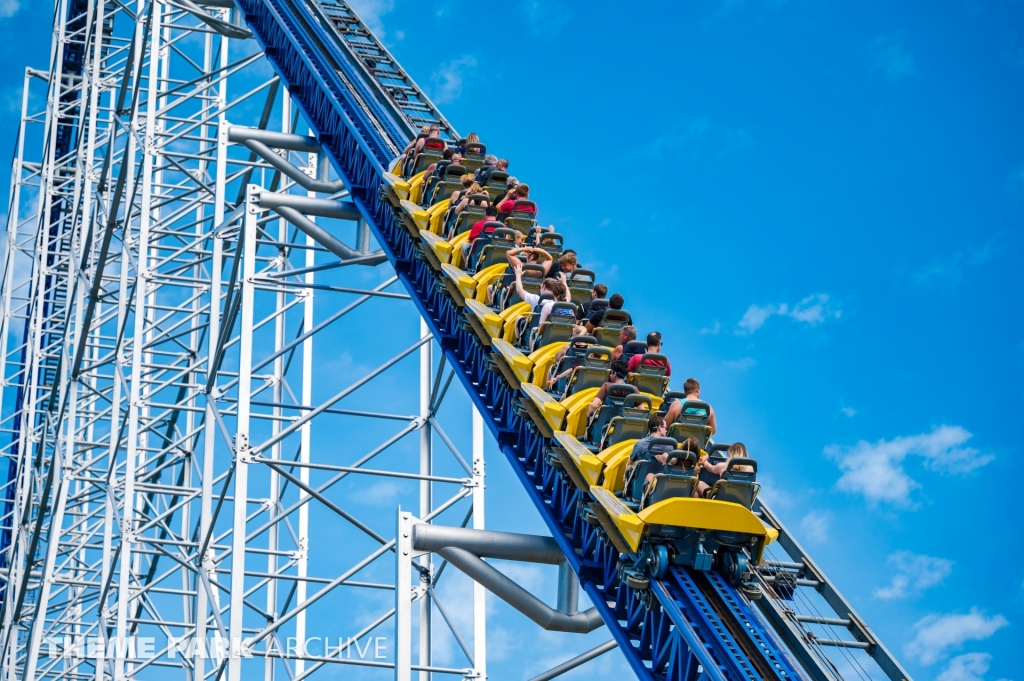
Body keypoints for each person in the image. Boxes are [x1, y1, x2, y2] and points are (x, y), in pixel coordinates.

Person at [510, 267, 567, 342]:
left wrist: (518, 275)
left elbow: (520, 290)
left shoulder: (537, 300)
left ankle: (519, 342)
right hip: (555, 335)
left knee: (519, 318)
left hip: (537, 335)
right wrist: (564, 282)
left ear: (543, 287)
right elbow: (568, 296)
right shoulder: (563, 302)